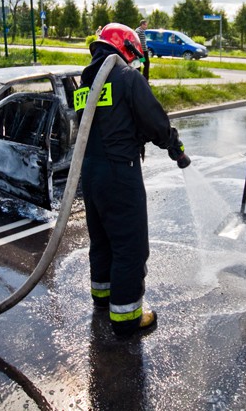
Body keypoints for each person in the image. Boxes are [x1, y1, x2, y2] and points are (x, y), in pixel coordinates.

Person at [75, 22, 190, 338]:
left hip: (91, 173)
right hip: (119, 173)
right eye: (135, 56)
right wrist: (174, 145)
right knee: (130, 245)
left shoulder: (86, 83)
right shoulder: (127, 78)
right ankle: (126, 317)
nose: (137, 63)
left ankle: (103, 297)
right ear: (125, 49)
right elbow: (155, 123)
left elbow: (101, 124)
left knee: (102, 239)